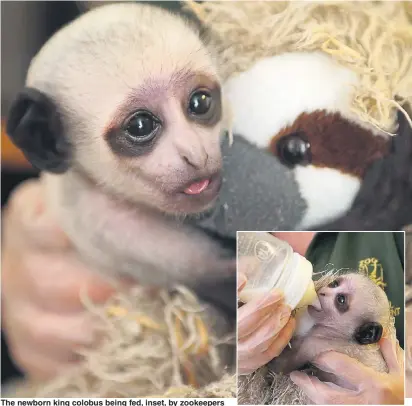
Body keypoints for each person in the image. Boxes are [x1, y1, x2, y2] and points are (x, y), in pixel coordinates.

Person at [238, 232, 405, 404]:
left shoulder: (324, 344)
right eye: (334, 284)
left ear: (366, 334)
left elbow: (281, 366)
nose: (325, 290)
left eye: (341, 300)